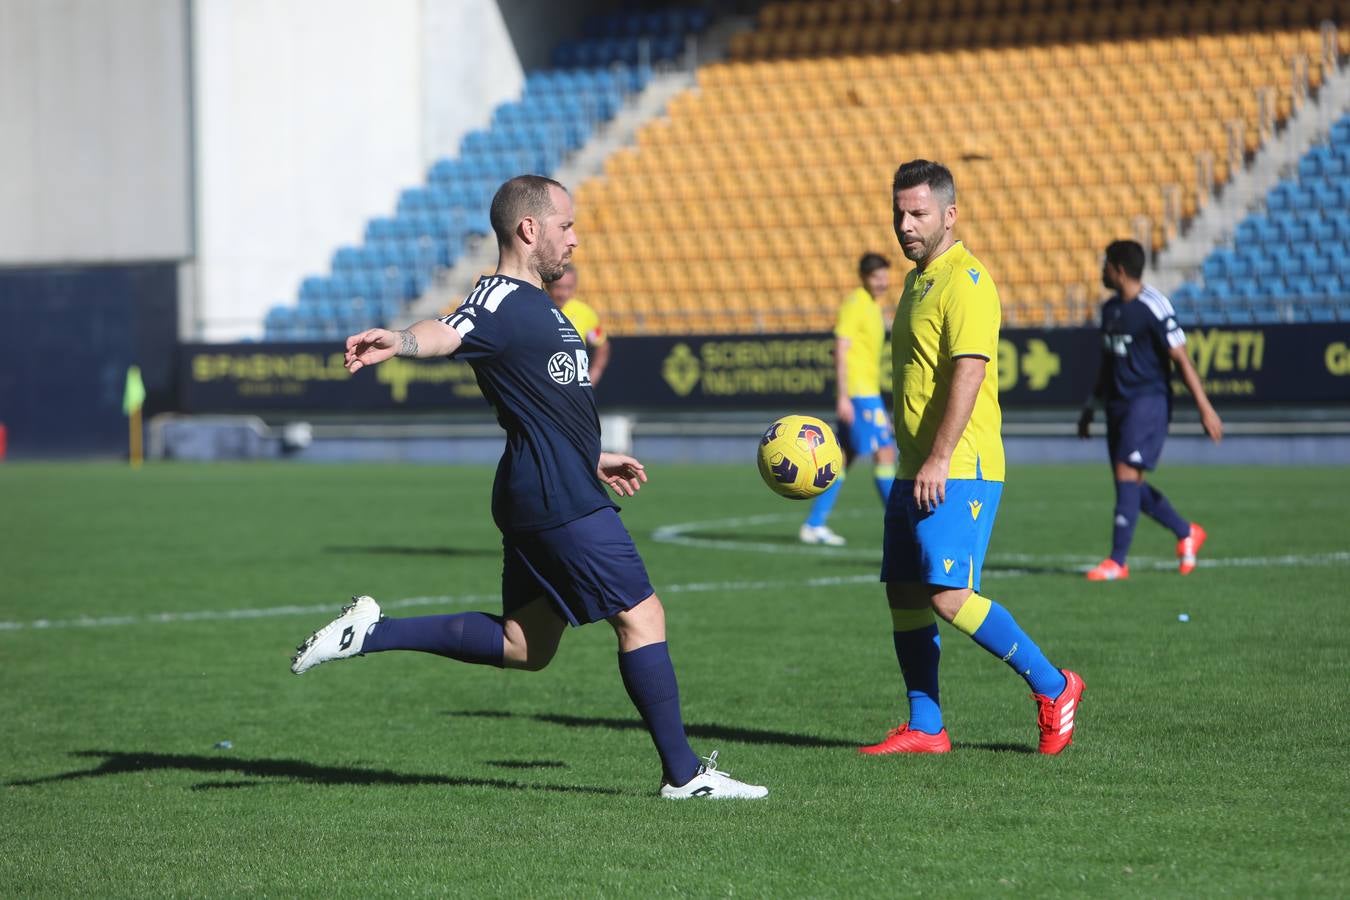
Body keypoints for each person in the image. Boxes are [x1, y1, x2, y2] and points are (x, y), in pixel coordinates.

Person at [289, 175, 766, 800]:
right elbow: (448, 331)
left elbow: (542, 401)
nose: (575, 239)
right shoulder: (499, 298)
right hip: (555, 495)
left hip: (553, 481)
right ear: (529, 229)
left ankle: (371, 632)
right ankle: (684, 776)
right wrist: (401, 341)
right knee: (643, 617)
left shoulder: (539, 305)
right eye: (565, 226)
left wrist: (590, 455)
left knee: (525, 645)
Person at [860, 159, 1084, 756]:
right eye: (899, 213)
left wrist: (938, 457)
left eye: (918, 213)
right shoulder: (918, 280)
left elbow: (969, 370)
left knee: (946, 595)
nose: (905, 225)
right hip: (915, 464)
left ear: (950, 214)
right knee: (905, 592)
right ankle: (926, 726)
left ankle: (1055, 686)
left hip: (958, 465)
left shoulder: (967, 280)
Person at [1077, 240, 1223, 581]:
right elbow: (1106, 365)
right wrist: (1089, 409)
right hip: (1116, 404)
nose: (1102, 271)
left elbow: (1181, 359)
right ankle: (1186, 532)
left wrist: (1205, 408)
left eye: (1106, 265)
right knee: (1129, 484)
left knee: (1128, 475)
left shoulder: (1154, 306)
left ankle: (1117, 561)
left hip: (1148, 402)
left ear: (1120, 270)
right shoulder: (1110, 309)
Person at [799, 253, 898, 546]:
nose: (881, 282)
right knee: (885, 452)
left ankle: (814, 524)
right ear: (863, 277)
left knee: (843, 458)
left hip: (866, 391)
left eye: (884, 276)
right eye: (875, 276)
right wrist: (843, 397)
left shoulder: (873, 306)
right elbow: (840, 350)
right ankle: (901, 523)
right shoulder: (855, 304)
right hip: (858, 394)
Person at [546, 265, 610, 386]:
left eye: (568, 287)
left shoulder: (585, 314)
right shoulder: (538, 309)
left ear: (575, 286)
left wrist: (594, 373)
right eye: (558, 287)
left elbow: (602, 345)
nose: (563, 293)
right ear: (548, 285)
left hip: (575, 388)